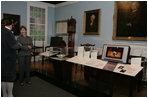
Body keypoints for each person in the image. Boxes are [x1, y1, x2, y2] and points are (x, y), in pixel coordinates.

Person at [1, 18, 22, 97]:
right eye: (12, 25)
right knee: (10, 79)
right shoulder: (8, 33)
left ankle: (4, 94)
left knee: (2, 78)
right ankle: (10, 95)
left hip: (1, 60)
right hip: (8, 60)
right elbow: (14, 46)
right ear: (10, 25)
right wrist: (19, 45)